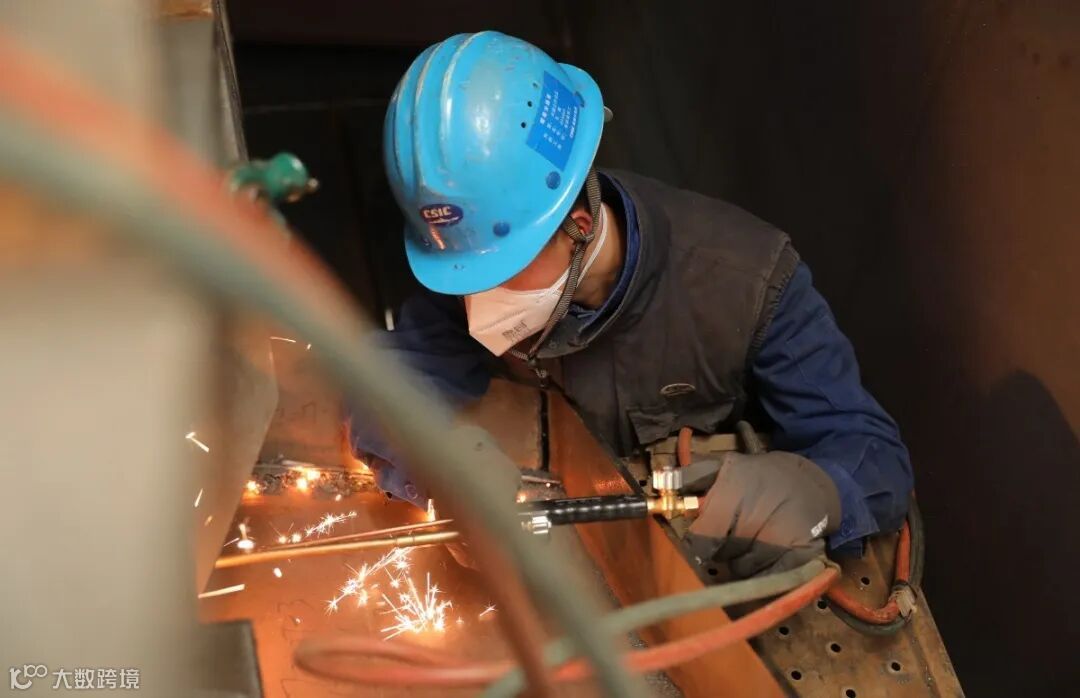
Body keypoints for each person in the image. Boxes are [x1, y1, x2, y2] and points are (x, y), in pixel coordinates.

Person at [349, 31, 913, 577]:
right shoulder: (473, 254)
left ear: (579, 223)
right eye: (466, 272)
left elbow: (871, 450)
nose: (477, 297)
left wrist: (822, 492)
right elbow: (385, 382)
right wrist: (433, 460)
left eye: (503, 269)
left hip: (698, 552)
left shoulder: (750, 283)